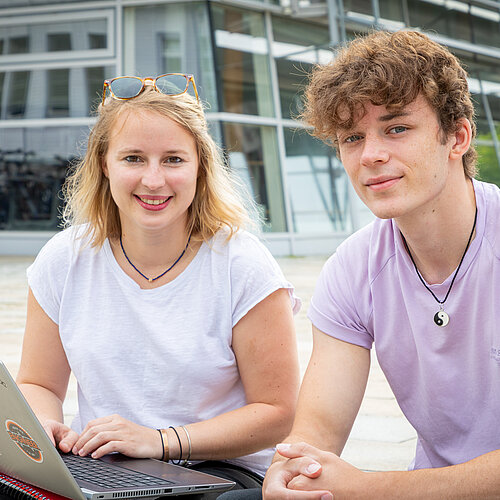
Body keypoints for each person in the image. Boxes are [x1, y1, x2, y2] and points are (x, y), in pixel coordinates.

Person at [16, 74, 300, 492]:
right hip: (103, 466)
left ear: (200, 167)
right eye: (133, 158)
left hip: (215, 473)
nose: (153, 180)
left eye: (173, 159)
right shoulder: (64, 258)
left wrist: (159, 442)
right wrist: (47, 429)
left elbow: (278, 412)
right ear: (103, 164)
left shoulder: (242, 264)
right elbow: (38, 383)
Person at [262, 30, 500, 499]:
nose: (370, 155)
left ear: (457, 136)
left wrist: (372, 488)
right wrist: (289, 475)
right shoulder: (352, 269)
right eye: (352, 137)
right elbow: (316, 431)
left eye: (396, 128)